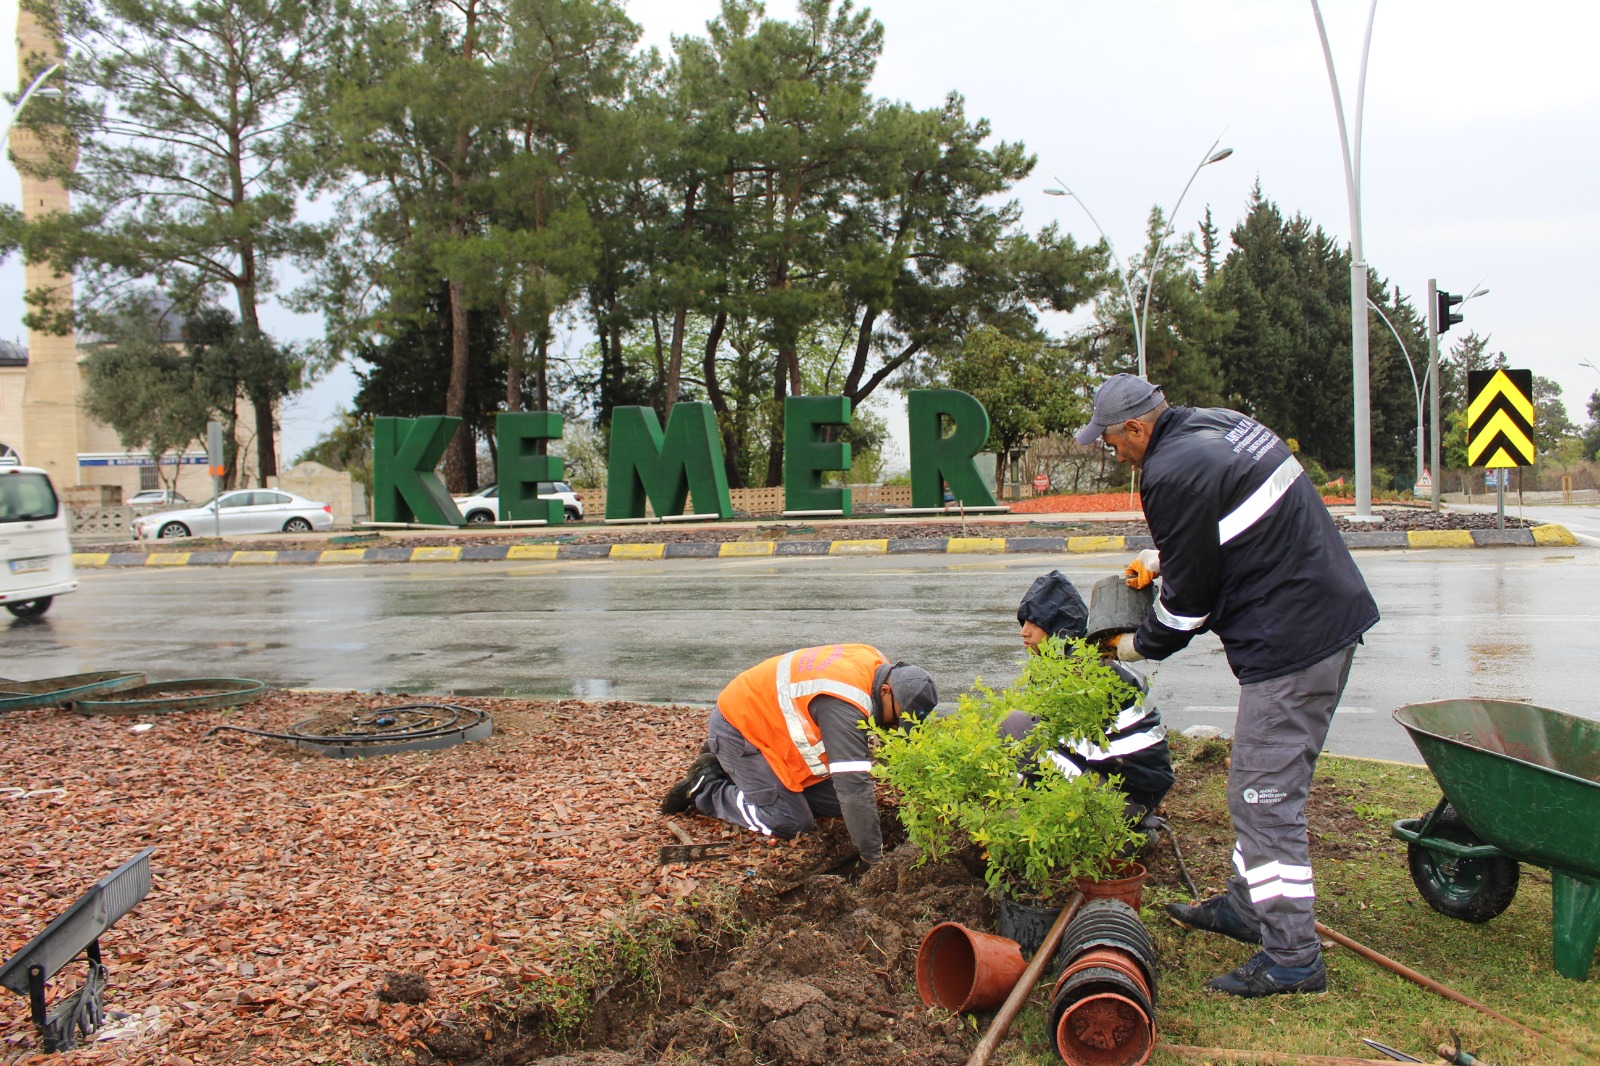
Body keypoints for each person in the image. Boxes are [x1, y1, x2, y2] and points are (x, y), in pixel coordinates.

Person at [1076, 373, 1379, 998]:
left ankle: (1293, 957)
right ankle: (1247, 906)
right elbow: (1219, 522)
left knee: (1263, 799)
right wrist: (1155, 558)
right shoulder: (1214, 425)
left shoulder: (1169, 471)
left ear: (1136, 427)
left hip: (1295, 642)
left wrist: (1130, 645)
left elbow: (1186, 608)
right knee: (1262, 780)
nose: (1113, 455)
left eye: (1110, 442)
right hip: (1315, 619)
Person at [660, 645, 939, 865]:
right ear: (887, 691)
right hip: (740, 728)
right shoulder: (842, 704)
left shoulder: (877, 664)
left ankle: (745, 778)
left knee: (838, 807)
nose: (893, 728)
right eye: (897, 719)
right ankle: (707, 788)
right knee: (790, 821)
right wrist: (874, 859)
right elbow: (853, 788)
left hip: (771, 729)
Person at [1004, 570, 1174, 821]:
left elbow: (1045, 744)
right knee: (1023, 739)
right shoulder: (1072, 661)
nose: (1024, 632)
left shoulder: (1084, 670)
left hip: (1128, 797)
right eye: (1024, 623)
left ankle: (1121, 826)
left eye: (1034, 623)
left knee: (1016, 728)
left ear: (1058, 628)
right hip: (1127, 787)